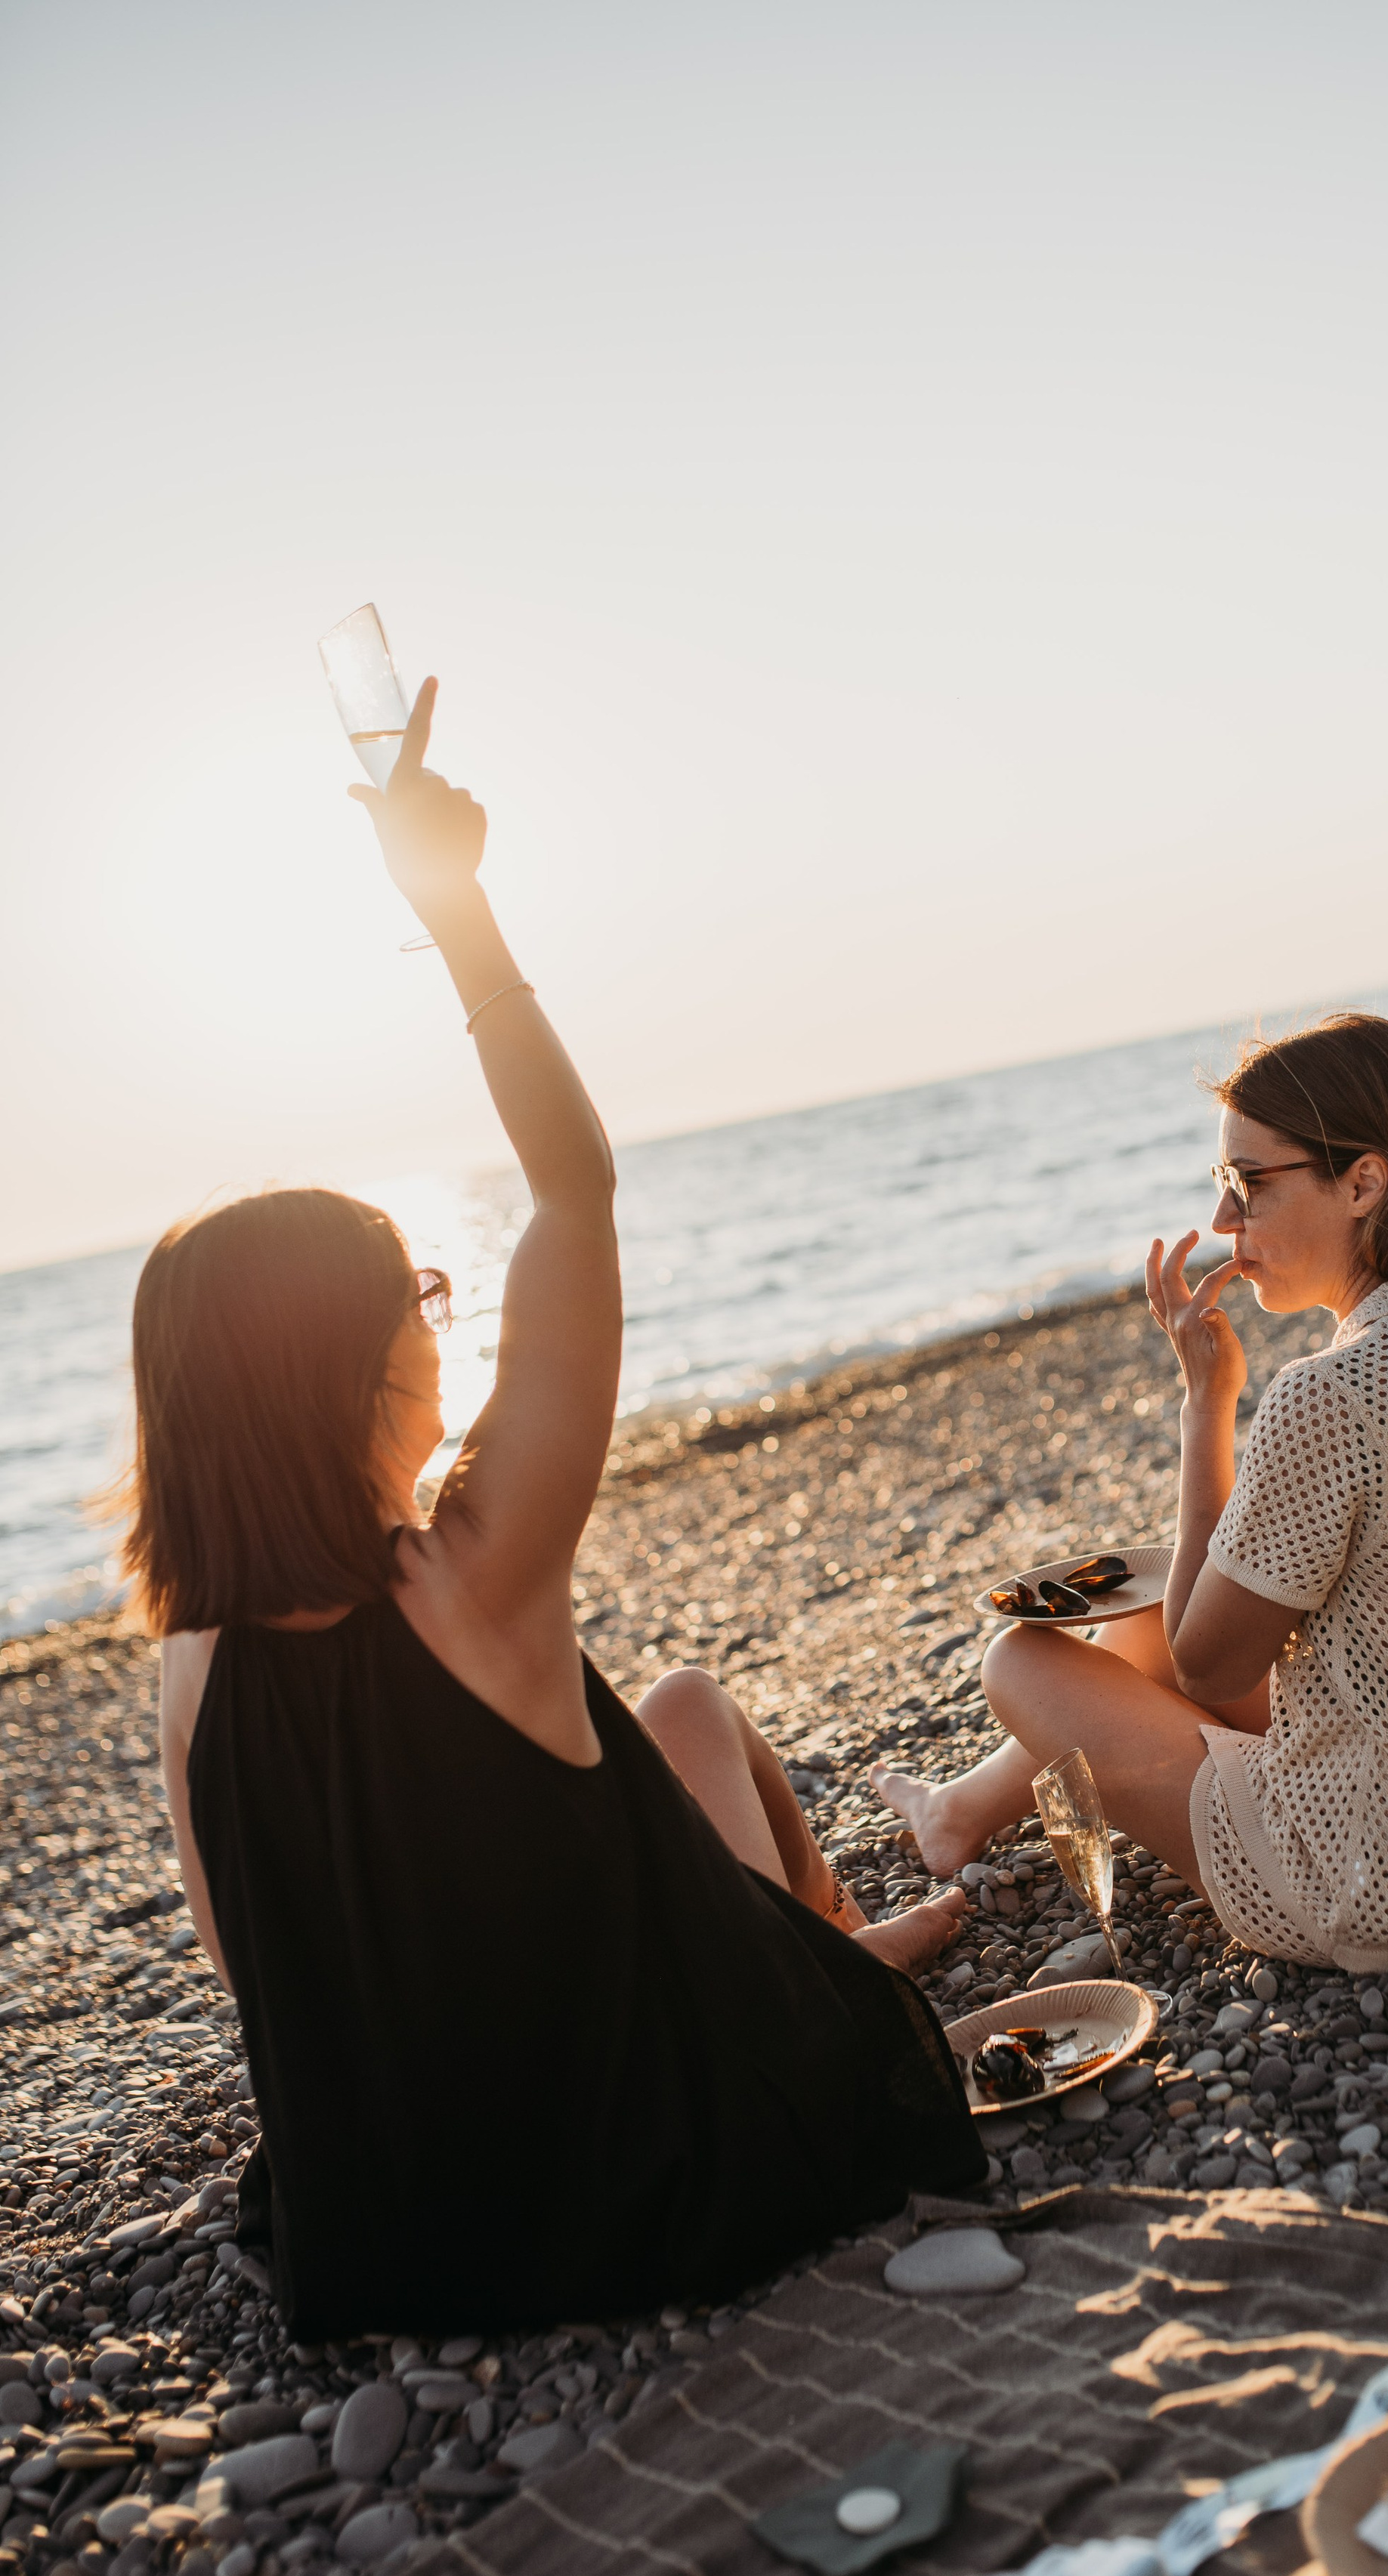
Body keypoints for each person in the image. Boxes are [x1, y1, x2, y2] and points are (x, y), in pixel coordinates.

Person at [131, 681, 981, 2340]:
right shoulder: (473, 1575)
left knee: (681, 1715)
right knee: (687, 1729)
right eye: (419, 1295)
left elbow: (257, 1973)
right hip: (651, 2188)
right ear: (353, 1369)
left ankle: (836, 1947)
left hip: (396, 2231)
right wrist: (453, 905)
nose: (438, 1320)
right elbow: (575, 1187)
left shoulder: (192, 1655)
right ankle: (835, 1979)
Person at [879, 1012, 1388, 1973]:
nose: (1222, 1221)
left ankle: (956, 1810)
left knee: (1020, 1661)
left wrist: (1206, 1404)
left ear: (1363, 1182)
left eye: (1249, 1182)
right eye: (1223, 1182)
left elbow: (1204, 1666)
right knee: (1142, 1623)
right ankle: (957, 1810)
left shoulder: (1335, 1391)